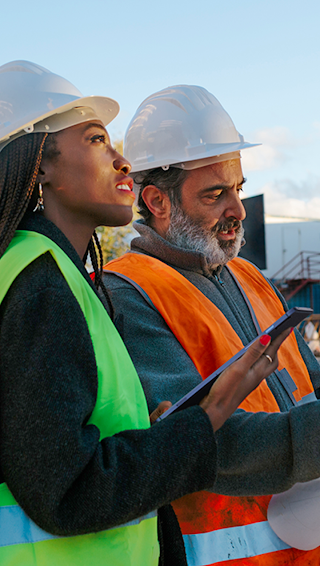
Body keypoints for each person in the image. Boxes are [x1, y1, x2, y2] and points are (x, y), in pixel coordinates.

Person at [0, 62, 289, 566]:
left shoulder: (62, 277)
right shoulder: (40, 283)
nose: (122, 164)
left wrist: (154, 433)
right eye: (96, 140)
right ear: (39, 166)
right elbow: (67, 490)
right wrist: (210, 415)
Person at [102, 85, 320, 566]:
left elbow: (309, 386)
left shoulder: (250, 276)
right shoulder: (126, 294)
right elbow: (197, 442)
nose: (238, 211)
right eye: (216, 194)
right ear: (156, 201)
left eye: (238, 189)